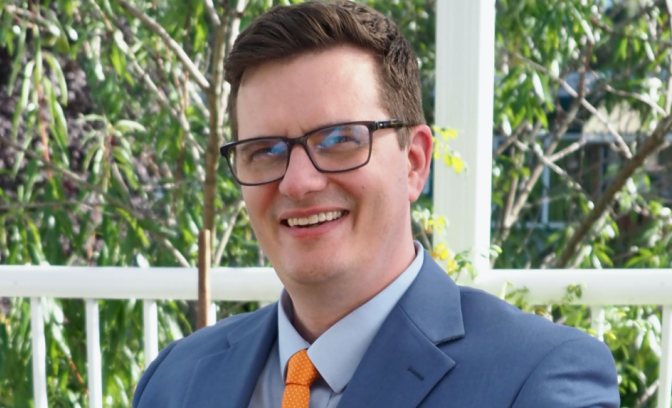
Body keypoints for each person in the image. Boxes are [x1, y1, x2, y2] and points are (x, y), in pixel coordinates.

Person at [132, 1, 620, 407]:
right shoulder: (174, 379)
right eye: (265, 151)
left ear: (414, 162)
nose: (298, 182)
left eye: (339, 139)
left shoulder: (537, 379)